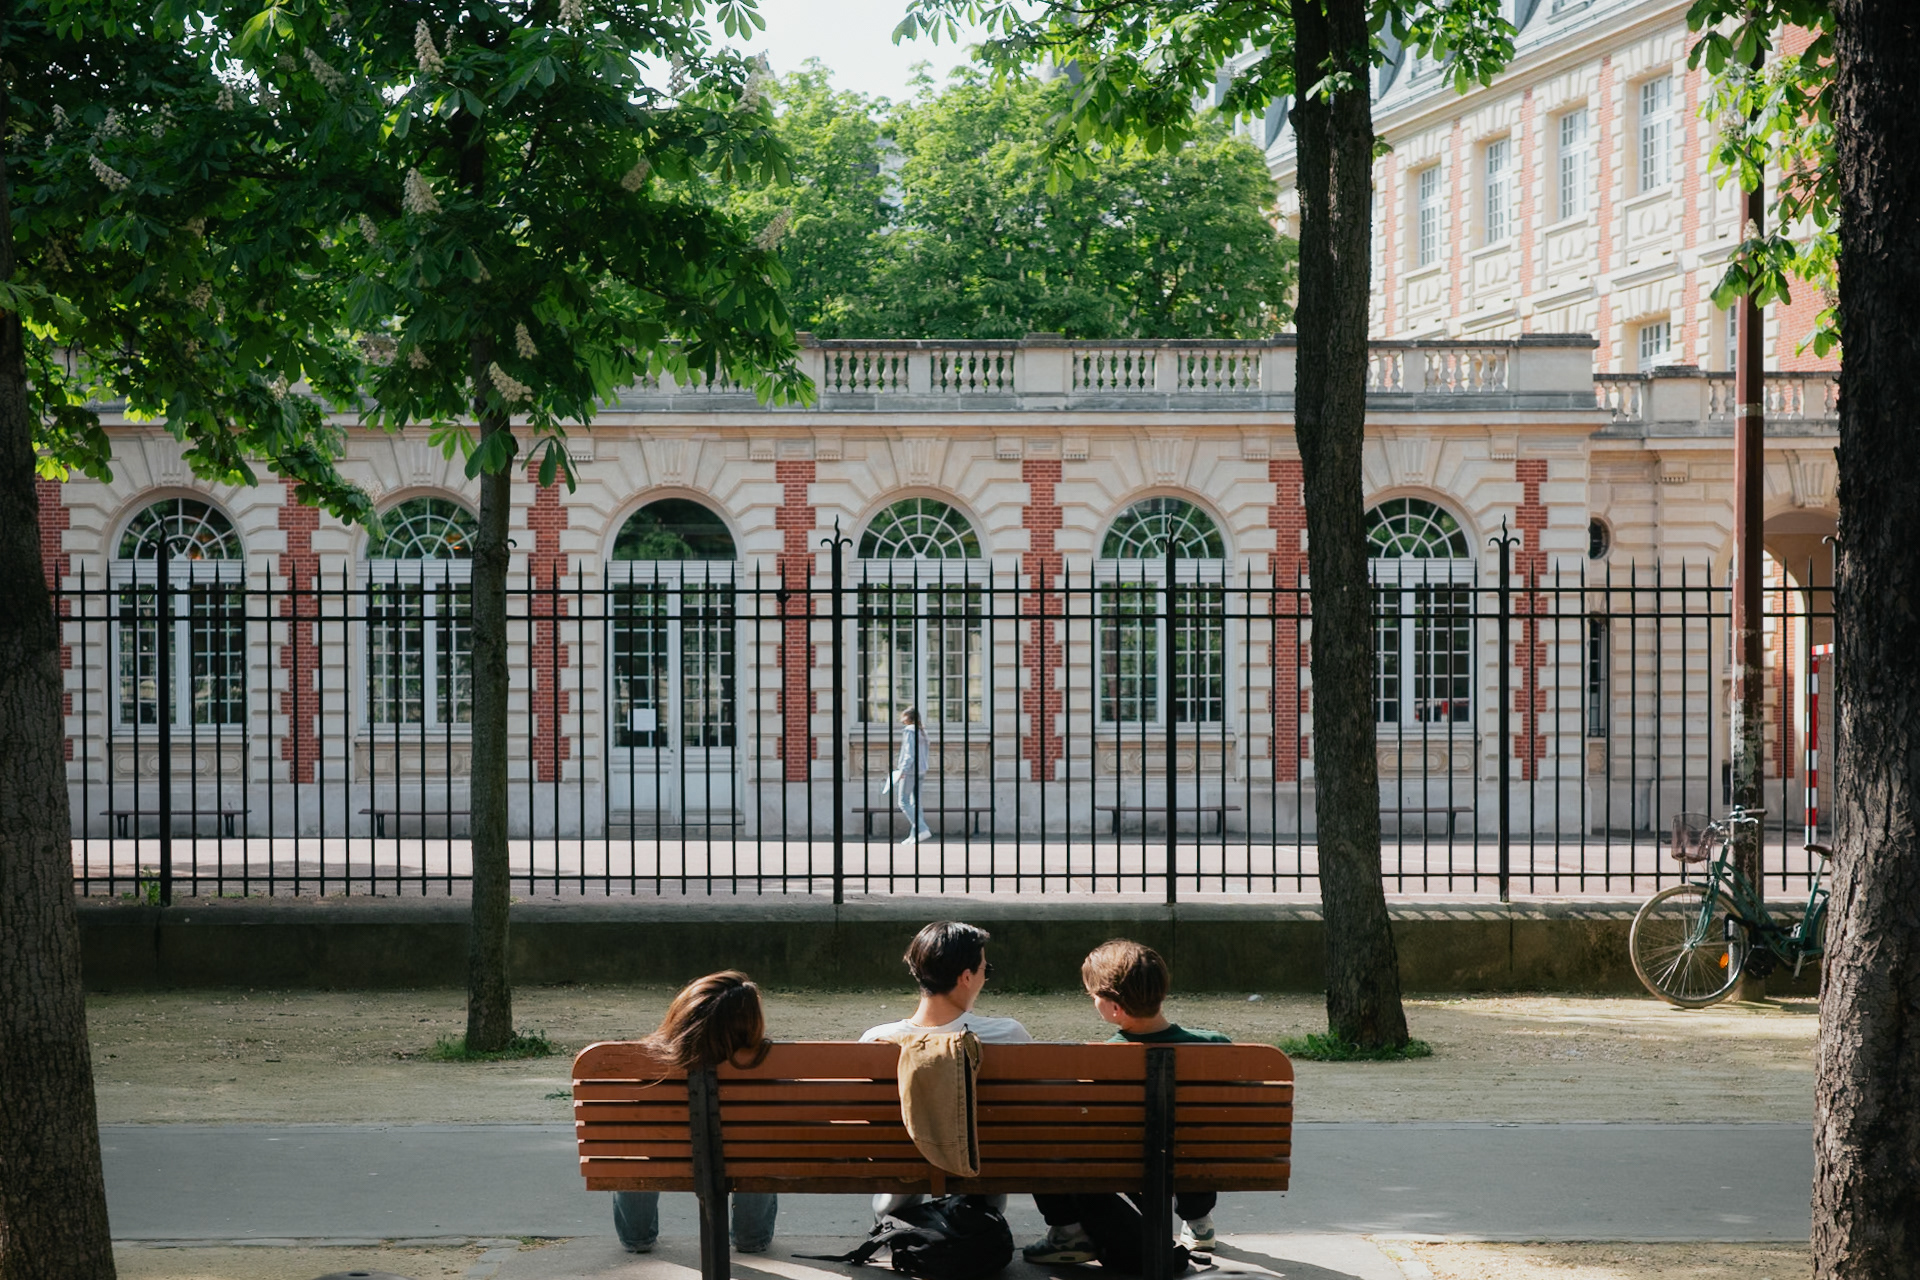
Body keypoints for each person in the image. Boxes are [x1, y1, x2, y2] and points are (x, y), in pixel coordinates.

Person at [1023, 940, 1229, 1266]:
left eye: (1094, 996)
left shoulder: (1101, 1060)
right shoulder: (1218, 1047)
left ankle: (1067, 1233)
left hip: (1124, 1165)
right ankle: (1199, 1221)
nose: (1093, 1001)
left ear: (1115, 1007)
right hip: (1200, 1161)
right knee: (1192, 1134)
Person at [862, 921, 1031, 1216]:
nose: (985, 978)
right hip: (985, 1166)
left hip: (900, 1164)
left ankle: (894, 1215)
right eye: (985, 970)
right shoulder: (1008, 1035)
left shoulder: (877, 1040)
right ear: (966, 977)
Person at [612, 972, 780, 1254]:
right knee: (757, 1146)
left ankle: (637, 1237)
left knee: (638, 1146)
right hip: (741, 1154)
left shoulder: (644, 1062)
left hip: (665, 1153)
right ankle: (750, 1237)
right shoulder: (771, 1063)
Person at [891, 706, 934, 845]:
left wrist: (902, 770)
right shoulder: (922, 732)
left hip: (910, 770)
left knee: (903, 802)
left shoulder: (910, 730)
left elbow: (909, 754)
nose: (901, 719)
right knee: (916, 803)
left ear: (908, 717)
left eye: (903, 716)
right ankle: (914, 835)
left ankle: (923, 829)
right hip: (921, 770)